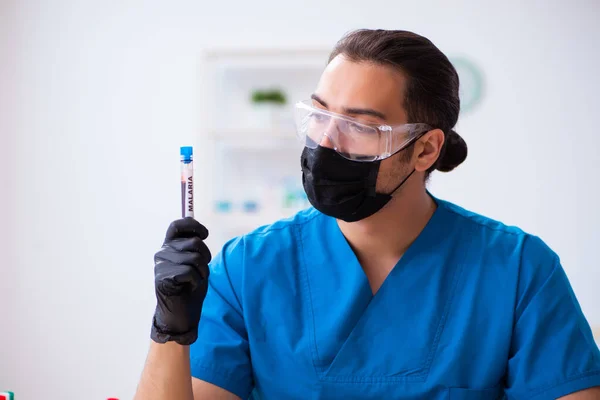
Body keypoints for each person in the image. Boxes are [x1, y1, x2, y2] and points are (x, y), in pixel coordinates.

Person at [134, 29, 600, 400]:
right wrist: (169, 329)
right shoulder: (248, 268)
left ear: (425, 150)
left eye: (359, 127)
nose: (327, 143)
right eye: (319, 115)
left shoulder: (518, 269)